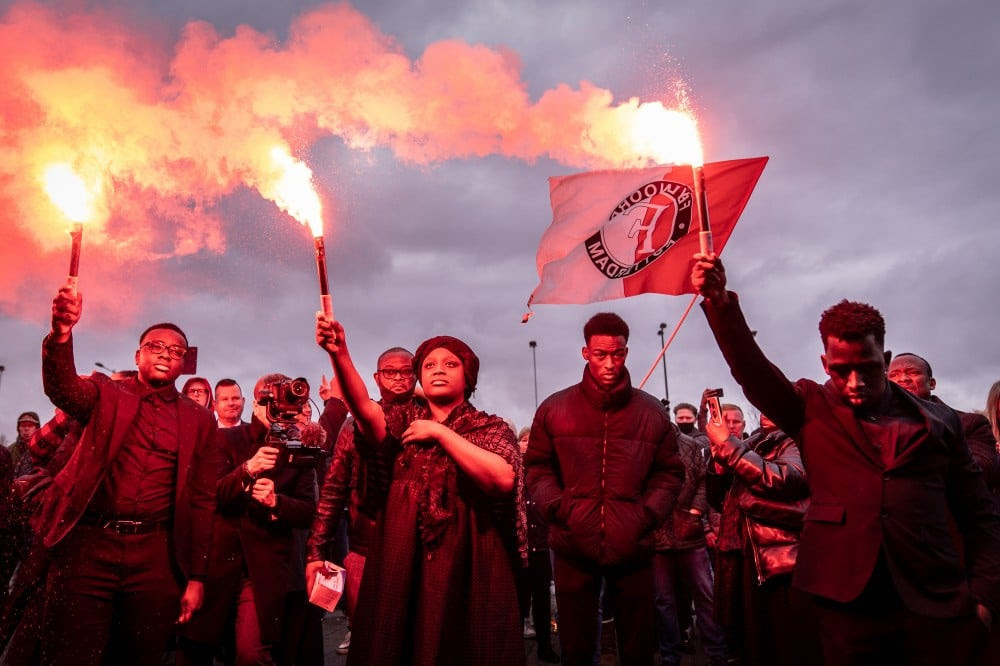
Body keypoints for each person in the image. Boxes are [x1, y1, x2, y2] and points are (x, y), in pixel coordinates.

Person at [691, 253, 1000, 665]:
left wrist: (986, 598)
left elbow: (980, 515)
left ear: (886, 362)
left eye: (868, 369)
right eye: (841, 370)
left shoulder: (940, 422)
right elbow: (752, 371)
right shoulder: (811, 407)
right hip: (841, 604)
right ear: (825, 364)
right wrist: (718, 302)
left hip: (933, 600)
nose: (854, 383)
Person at [316, 316, 527, 665]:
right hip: (404, 561)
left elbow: (502, 477)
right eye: (429, 364)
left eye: (449, 363)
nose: (438, 370)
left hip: (470, 564)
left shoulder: (489, 426)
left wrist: (442, 433)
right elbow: (366, 413)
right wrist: (339, 353)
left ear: (467, 376)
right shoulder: (401, 420)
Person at [36, 285, 218, 666]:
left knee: (142, 658)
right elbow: (62, 388)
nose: (167, 353)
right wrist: (61, 334)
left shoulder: (200, 419)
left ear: (185, 363)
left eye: (176, 351)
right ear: (138, 355)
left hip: (155, 556)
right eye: (156, 346)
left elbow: (202, 501)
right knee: (70, 656)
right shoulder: (106, 393)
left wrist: (197, 577)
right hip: (88, 547)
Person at [525, 312, 684, 666]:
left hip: (632, 544)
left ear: (626, 352)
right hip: (572, 543)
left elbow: (670, 473)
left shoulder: (651, 411)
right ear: (586, 353)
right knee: (577, 649)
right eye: (601, 354)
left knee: (638, 648)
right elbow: (537, 467)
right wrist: (560, 508)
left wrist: (644, 516)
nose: (610, 363)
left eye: (618, 354)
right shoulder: (555, 408)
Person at [176, 374, 318, 666]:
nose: (281, 411)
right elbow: (209, 495)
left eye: (290, 405)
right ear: (255, 405)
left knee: (251, 654)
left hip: (262, 569)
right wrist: (247, 471)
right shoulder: (222, 438)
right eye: (273, 404)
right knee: (196, 649)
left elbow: (307, 512)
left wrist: (277, 502)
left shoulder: (299, 450)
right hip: (216, 564)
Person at [306, 348, 415, 657]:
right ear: (377, 378)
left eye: (406, 371)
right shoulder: (353, 425)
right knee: (368, 642)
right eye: (390, 372)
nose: (398, 378)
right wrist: (316, 552)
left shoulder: (430, 418)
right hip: (365, 550)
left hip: (418, 550)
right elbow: (332, 490)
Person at [705, 408, 815, 666]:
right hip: (747, 553)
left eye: (771, 402)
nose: (766, 409)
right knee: (753, 644)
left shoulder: (796, 440)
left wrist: (729, 448)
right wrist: (719, 470)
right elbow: (722, 501)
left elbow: (786, 480)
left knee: (784, 644)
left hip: (780, 557)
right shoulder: (753, 442)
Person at [651, 422, 729, 666]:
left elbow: (704, 481)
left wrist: (695, 512)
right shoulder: (644, 447)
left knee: (705, 594)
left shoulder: (691, 445)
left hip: (691, 534)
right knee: (664, 600)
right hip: (658, 537)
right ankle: (670, 655)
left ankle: (717, 652)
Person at [888, 353, 998, 491]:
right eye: (894, 375)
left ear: (932, 383)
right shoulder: (869, 424)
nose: (903, 379)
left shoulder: (970, 424)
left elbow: (979, 473)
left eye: (913, 372)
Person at [516, 426, 560, 663]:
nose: (527, 444)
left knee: (542, 600)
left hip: (542, 544)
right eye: (524, 440)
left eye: (532, 440)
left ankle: (545, 647)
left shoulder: (546, 471)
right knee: (518, 601)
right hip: (518, 545)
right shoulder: (510, 468)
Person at [7, 412, 40, 477]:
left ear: (37, 428)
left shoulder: (44, 448)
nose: (26, 429)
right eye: (23, 425)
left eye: (30, 425)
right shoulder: (9, 451)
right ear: (18, 428)